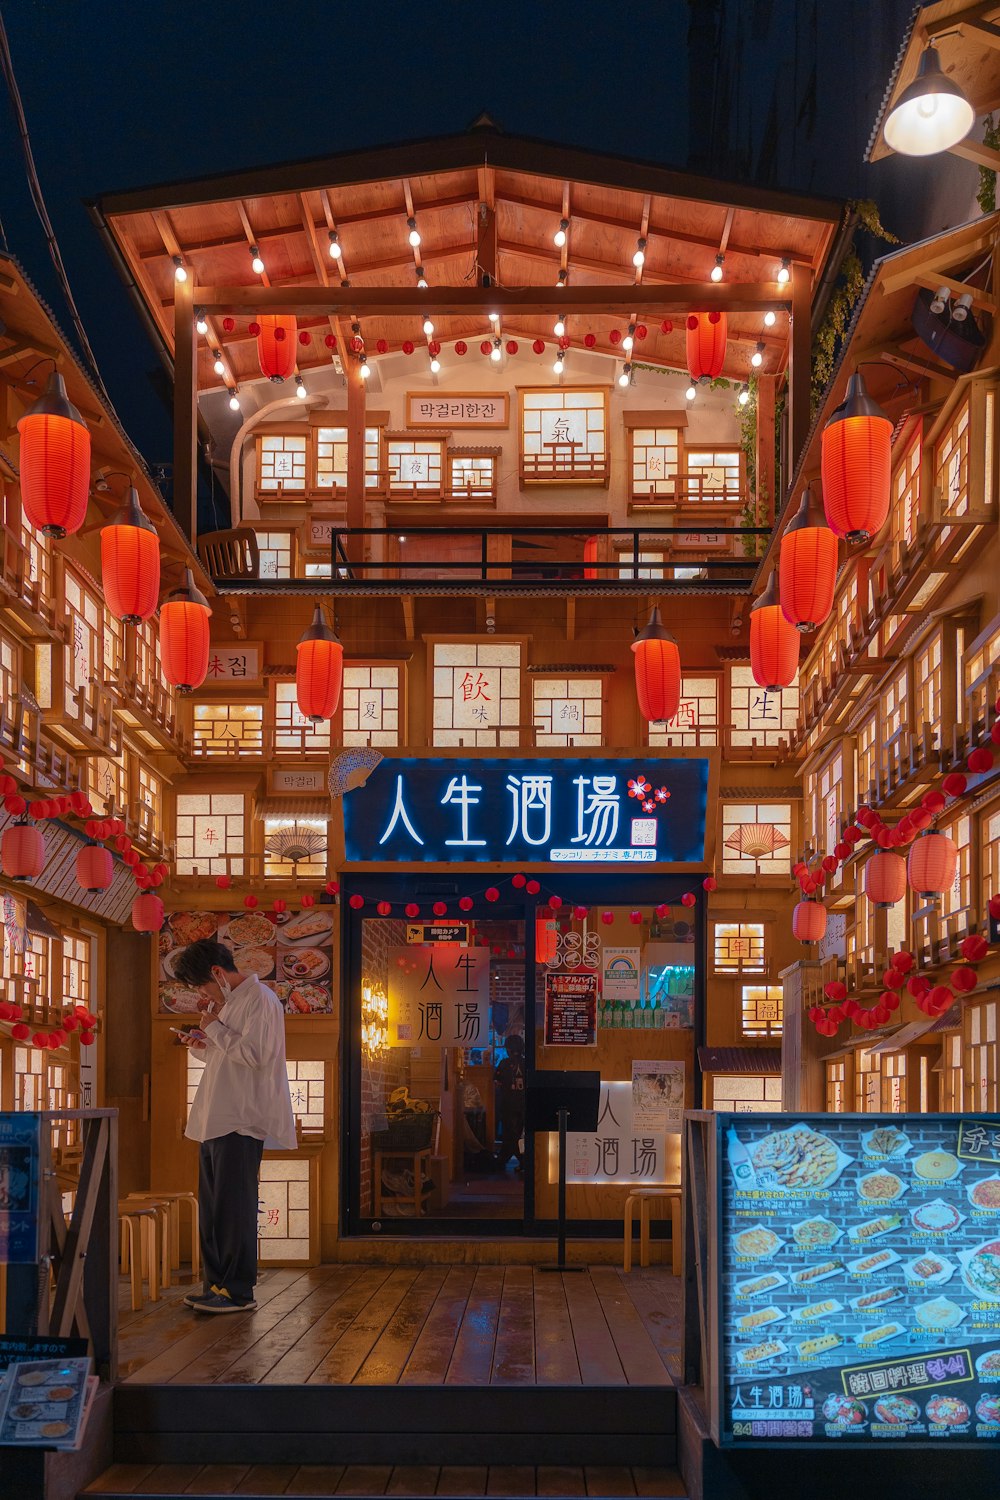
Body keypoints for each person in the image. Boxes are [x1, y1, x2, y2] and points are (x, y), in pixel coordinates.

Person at [172, 938, 296, 1313]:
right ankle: (215, 1285)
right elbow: (224, 1056)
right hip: (216, 1117)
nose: (203, 993)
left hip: (241, 1119)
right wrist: (200, 1037)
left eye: (202, 985)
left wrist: (212, 1028)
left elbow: (257, 1056)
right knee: (213, 1210)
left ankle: (238, 1291)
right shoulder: (233, 1004)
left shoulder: (261, 1000)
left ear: (217, 973)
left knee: (235, 1210)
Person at [494, 1033, 526, 1170]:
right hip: (524, 1105)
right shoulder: (527, 1063)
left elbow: (497, 1082)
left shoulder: (504, 1063)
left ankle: (520, 1160)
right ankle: (505, 1159)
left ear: (508, 1049)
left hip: (508, 1104)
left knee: (510, 1134)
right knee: (515, 1134)